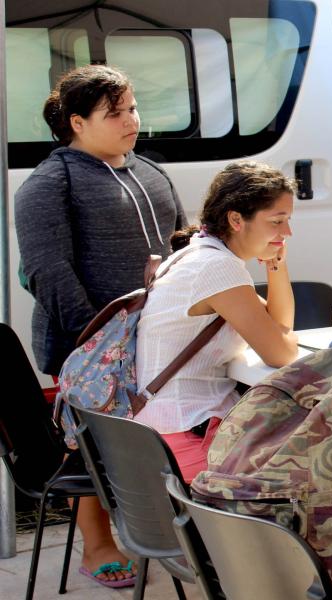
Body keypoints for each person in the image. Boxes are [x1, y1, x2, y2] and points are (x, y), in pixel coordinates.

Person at [14, 64, 185, 588]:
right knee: (85, 444)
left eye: (132, 108)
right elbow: (47, 272)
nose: (132, 120)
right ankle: (97, 544)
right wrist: (98, 338)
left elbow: (181, 243)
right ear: (77, 122)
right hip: (83, 346)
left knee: (149, 441)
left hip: (158, 340)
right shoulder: (48, 184)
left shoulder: (151, 173)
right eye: (116, 113)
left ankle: (160, 528)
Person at [135, 161, 299, 483]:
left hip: (162, 434)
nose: (287, 233)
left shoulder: (197, 255)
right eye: (277, 221)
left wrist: (276, 265)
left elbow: (277, 325)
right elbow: (281, 352)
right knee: (308, 471)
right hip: (189, 435)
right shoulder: (217, 267)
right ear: (236, 219)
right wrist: (282, 338)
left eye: (288, 221)